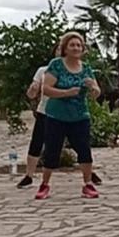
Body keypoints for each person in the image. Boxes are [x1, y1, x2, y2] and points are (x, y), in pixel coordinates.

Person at [17, 45, 103, 188]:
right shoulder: (44, 70)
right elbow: (33, 92)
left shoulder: (81, 68)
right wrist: (33, 89)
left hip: (73, 114)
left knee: (80, 145)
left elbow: (94, 90)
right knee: (39, 143)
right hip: (46, 112)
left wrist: (91, 89)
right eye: (57, 50)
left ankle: (89, 174)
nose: (60, 53)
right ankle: (29, 176)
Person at [35, 32, 102, 200]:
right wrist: (66, 93)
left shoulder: (86, 68)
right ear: (65, 47)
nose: (76, 48)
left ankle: (87, 184)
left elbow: (96, 92)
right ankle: (45, 184)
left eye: (79, 45)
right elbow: (46, 89)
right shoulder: (56, 65)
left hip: (79, 116)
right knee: (52, 151)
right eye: (72, 45)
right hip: (56, 116)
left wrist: (93, 89)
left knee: (84, 150)